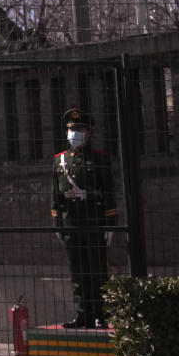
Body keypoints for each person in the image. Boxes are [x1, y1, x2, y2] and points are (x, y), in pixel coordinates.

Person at [51, 108, 117, 329]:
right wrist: (57, 224)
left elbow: (108, 192)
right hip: (71, 223)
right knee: (77, 272)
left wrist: (110, 224)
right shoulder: (60, 161)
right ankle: (82, 314)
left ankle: (100, 314)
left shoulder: (98, 159)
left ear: (88, 132)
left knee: (97, 270)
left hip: (93, 222)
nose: (75, 133)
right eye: (72, 129)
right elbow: (55, 196)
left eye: (79, 129)